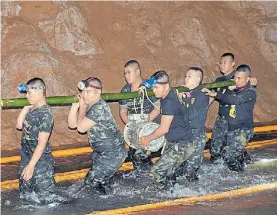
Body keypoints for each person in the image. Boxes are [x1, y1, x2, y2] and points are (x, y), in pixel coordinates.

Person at [68, 77, 127, 193]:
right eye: (83, 92)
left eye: (88, 92)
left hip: (112, 154)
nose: (84, 95)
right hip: (102, 153)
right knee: (100, 183)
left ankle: (108, 204)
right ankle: (109, 198)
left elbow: (80, 128)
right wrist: (74, 107)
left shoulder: (99, 107)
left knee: (91, 183)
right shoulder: (91, 105)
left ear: (98, 92)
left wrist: (83, 107)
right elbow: (72, 125)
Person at [140, 71, 194, 188]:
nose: (154, 91)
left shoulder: (169, 102)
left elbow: (164, 129)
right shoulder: (169, 94)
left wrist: (147, 139)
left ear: (166, 86)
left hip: (181, 145)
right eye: (153, 87)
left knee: (156, 172)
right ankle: (173, 195)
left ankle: (164, 196)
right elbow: (161, 113)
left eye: (156, 87)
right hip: (179, 142)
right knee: (169, 174)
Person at [202, 64, 256, 171]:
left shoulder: (250, 92)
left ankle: (239, 176)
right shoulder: (237, 89)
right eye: (235, 77)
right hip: (233, 128)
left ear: (248, 79)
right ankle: (243, 164)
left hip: (243, 130)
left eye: (239, 78)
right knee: (232, 152)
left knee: (229, 157)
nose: (235, 80)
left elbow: (233, 100)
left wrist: (215, 94)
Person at [16, 78, 56, 204]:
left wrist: (31, 166)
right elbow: (19, 126)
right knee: (25, 197)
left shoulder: (45, 114)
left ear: (39, 92)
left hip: (40, 164)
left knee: (46, 202)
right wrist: (24, 109)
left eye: (29, 93)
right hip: (27, 159)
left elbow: (42, 143)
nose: (26, 96)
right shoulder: (31, 109)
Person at [119, 60, 160, 175]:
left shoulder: (149, 87)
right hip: (135, 128)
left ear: (137, 72)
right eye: (125, 73)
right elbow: (122, 111)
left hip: (150, 127)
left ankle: (150, 178)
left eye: (129, 72)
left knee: (141, 155)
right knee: (135, 156)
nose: (126, 75)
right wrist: (132, 126)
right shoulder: (125, 90)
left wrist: (145, 123)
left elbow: (158, 107)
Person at [176, 67, 209, 181]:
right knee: (179, 167)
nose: (186, 78)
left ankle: (195, 193)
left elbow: (191, 114)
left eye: (189, 76)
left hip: (196, 134)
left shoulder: (202, 95)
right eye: (186, 76)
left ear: (198, 79)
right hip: (184, 133)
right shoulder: (184, 93)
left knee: (191, 168)